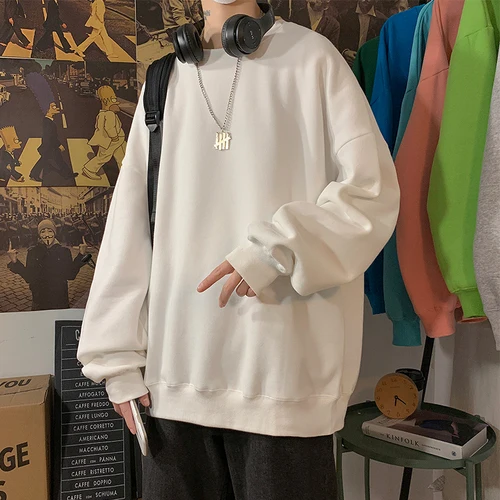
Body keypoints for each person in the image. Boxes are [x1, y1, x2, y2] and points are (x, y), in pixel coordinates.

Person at [77, 0, 399, 498]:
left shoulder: (313, 59)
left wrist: (274, 252)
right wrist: (115, 359)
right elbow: (131, 221)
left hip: (284, 386)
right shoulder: (164, 79)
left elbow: (371, 194)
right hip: (172, 386)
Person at [7, 220, 87, 310]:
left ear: (54, 233)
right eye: (43, 231)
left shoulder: (64, 251)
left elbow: (70, 275)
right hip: (39, 300)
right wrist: (15, 261)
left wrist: (81, 255)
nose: (47, 234)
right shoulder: (33, 252)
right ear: (39, 234)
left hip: (59, 299)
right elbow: (29, 277)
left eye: (50, 231)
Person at [82, 85, 126, 181]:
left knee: (122, 157)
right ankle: (89, 169)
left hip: (116, 140)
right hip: (111, 140)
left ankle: (125, 174)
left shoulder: (102, 113)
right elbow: (109, 128)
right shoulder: (109, 114)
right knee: (103, 157)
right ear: (107, 101)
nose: (116, 102)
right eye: (113, 99)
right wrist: (114, 137)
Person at [338, 0, 386, 65]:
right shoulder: (344, 16)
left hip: (369, 65)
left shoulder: (382, 21)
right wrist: (345, 52)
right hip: (347, 64)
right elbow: (337, 41)